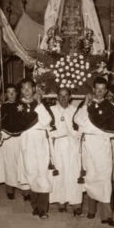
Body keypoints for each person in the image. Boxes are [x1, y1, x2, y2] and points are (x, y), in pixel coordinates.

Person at [74, 77, 114, 226]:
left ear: (106, 90)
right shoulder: (86, 104)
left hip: (103, 146)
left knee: (104, 180)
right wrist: (85, 105)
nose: (100, 92)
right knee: (90, 178)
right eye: (97, 89)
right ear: (93, 89)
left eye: (103, 89)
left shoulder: (110, 107)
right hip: (88, 145)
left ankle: (106, 216)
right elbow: (78, 120)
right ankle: (91, 210)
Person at [17, 79, 53, 219]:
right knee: (31, 173)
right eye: (23, 88)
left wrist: (38, 104)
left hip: (41, 143)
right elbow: (13, 124)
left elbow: (47, 121)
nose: (26, 91)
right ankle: (35, 206)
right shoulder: (17, 106)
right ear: (21, 90)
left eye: (29, 88)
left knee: (43, 175)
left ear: (34, 89)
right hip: (27, 143)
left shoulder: (41, 104)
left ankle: (43, 208)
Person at [49, 87, 83, 215]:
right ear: (57, 97)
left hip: (72, 146)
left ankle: (76, 204)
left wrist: (73, 133)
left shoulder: (76, 111)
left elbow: (80, 128)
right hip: (58, 146)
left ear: (70, 97)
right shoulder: (51, 110)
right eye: (60, 95)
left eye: (66, 95)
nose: (63, 98)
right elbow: (48, 129)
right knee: (60, 174)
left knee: (73, 174)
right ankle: (61, 201)